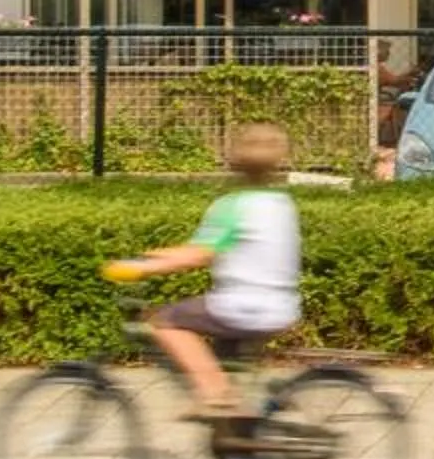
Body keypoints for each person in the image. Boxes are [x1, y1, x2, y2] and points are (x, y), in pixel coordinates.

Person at [103, 122, 302, 418]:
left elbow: (198, 254)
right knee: (229, 365)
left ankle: (214, 395)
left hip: (242, 305)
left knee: (166, 322)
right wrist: (155, 255)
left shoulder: (232, 206)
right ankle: (238, 430)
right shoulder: (282, 203)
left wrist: (141, 269)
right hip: (282, 305)